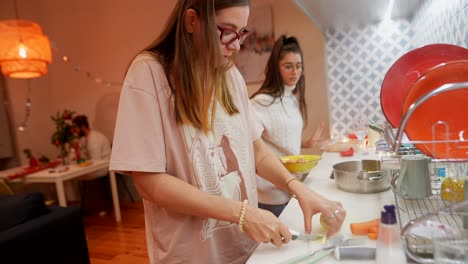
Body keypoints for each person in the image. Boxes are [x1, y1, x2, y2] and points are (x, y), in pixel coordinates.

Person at [109, 1, 345, 263]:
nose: (236, 45)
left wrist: (297, 188)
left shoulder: (230, 75)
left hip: (245, 244)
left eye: (242, 33)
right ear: (191, 21)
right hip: (194, 254)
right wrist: (242, 213)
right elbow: (150, 183)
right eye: (228, 31)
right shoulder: (149, 72)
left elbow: (257, 151)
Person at [250, 35, 324, 217]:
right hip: (270, 194)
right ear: (276, 68)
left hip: (292, 188)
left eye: (298, 66)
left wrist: (306, 143)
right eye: (288, 66)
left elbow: (280, 141)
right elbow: (252, 147)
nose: (295, 72)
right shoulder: (260, 103)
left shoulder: (291, 99)